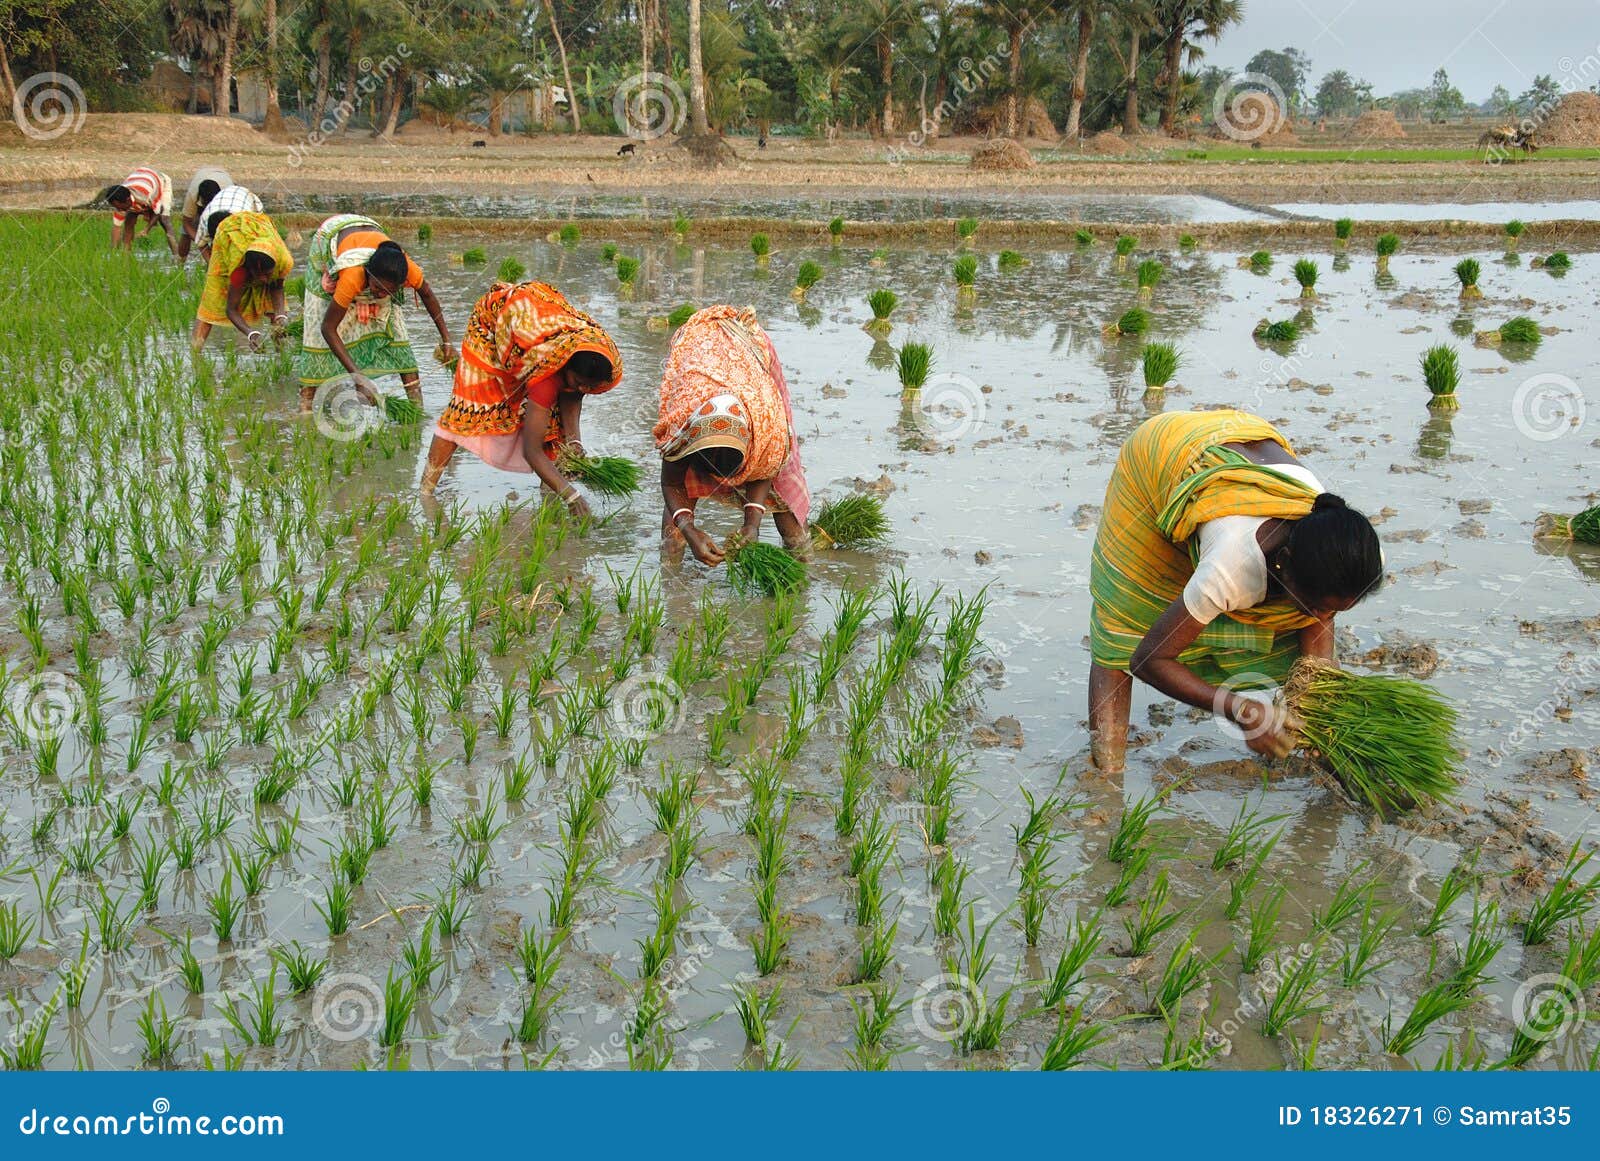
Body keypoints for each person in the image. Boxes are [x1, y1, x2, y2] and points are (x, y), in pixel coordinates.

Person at [1087, 409, 1383, 775]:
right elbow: (1147, 661)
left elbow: (1317, 666)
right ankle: (1106, 773)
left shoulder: (1355, 551)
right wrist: (1240, 709)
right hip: (1160, 455)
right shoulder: (1232, 564)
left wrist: (1326, 719)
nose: (1325, 619)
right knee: (1127, 621)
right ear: (1284, 563)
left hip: (1242, 440)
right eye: (1320, 607)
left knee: (1306, 633)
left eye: (1336, 611)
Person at [423, 281, 621, 508]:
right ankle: (426, 493)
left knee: (556, 430)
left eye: (589, 386)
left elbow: (573, 392)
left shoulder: (600, 355)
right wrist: (573, 496)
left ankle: (550, 502)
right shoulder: (546, 373)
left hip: (535, 318)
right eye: (579, 382)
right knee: (467, 409)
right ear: (565, 366)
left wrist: (574, 441)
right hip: (493, 323)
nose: (584, 390)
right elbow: (531, 450)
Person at [653, 305, 811, 568]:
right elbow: (671, 482)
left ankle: (802, 565)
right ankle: (672, 581)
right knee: (674, 533)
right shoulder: (681, 426)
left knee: (785, 500)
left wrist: (752, 525)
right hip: (698, 350)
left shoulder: (769, 426)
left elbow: (765, 470)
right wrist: (689, 530)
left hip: (748, 354)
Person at [298, 214, 452, 413]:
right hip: (330, 237)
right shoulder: (352, 276)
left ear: (401, 284)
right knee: (316, 337)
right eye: (377, 289)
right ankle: (305, 407)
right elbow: (328, 328)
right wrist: (358, 377)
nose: (381, 295)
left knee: (398, 337)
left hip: (371, 232)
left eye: (389, 292)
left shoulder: (407, 270)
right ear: (368, 274)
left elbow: (429, 296)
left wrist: (446, 339)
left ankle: (417, 411)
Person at [190, 211, 294, 352]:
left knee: (278, 318)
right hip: (226, 237)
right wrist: (251, 333)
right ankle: (195, 355)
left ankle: (280, 355)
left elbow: (277, 289)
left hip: (260, 230)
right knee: (211, 304)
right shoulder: (238, 269)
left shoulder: (283, 260)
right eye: (259, 275)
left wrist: (281, 315)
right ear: (249, 270)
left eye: (268, 274)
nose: (264, 279)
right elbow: (231, 309)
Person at [103, 168, 178, 258]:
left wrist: (146, 230)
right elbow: (117, 227)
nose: (118, 210)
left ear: (127, 201)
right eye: (115, 207)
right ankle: (126, 256)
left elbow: (158, 211)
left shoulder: (144, 196)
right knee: (129, 220)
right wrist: (113, 252)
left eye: (119, 207)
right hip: (141, 179)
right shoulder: (120, 200)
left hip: (161, 182)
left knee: (164, 220)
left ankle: (178, 256)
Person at [191, 185, 263, 264]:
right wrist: (212, 264)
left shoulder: (245, 222)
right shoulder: (205, 220)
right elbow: (201, 245)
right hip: (224, 200)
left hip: (247, 197)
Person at [177, 166, 233, 261]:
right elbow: (186, 223)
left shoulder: (228, 195)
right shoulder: (193, 194)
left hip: (222, 179)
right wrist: (201, 241)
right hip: (203, 176)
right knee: (186, 233)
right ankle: (181, 261)